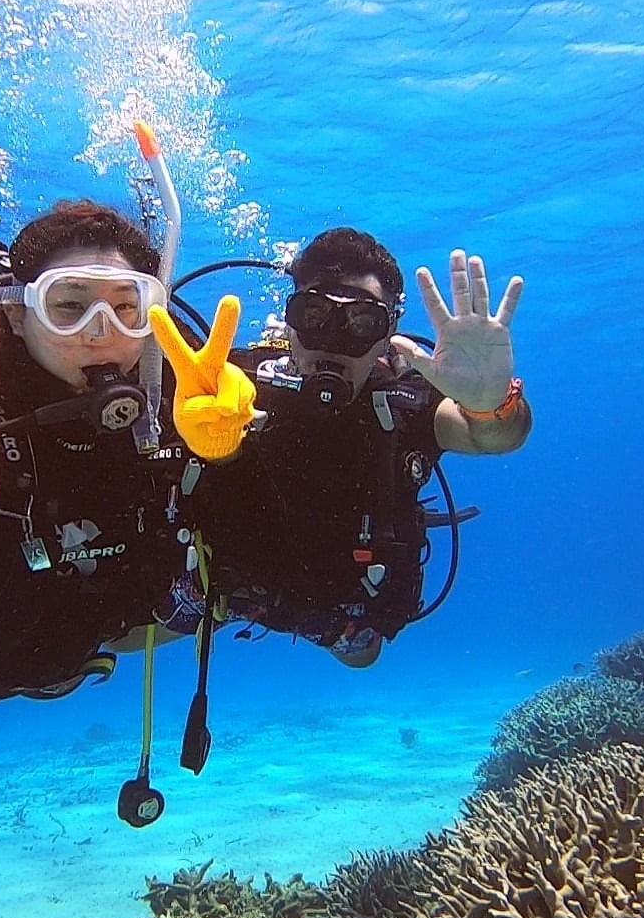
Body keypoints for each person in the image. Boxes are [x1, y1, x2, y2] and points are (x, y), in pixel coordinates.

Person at [0, 201, 254, 903]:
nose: (104, 334)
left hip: (89, 639)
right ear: (17, 313)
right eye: (70, 306)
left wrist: (224, 460)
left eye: (129, 309)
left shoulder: (176, 403)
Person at [172, 228, 532, 666]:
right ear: (289, 322)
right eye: (314, 314)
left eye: (363, 323)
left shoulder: (406, 403)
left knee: (363, 655)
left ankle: (336, 632)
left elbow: (489, 435)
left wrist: (492, 404)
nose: (335, 341)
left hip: (346, 606)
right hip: (233, 586)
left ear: (388, 335)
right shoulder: (234, 386)